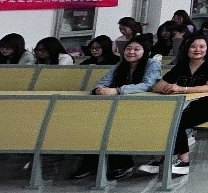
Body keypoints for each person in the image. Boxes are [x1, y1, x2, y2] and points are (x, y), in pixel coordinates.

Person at [70, 36, 164, 180]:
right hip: (117, 106)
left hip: (143, 108)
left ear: (145, 51)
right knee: (93, 123)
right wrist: (98, 89)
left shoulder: (152, 64)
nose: (131, 52)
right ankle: (91, 163)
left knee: (120, 125)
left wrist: (118, 90)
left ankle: (122, 163)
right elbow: (103, 81)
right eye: (128, 49)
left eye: (136, 49)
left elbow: (148, 85)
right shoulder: (120, 65)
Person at [140, 34, 208, 177]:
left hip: (205, 106)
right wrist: (168, 88)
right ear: (186, 49)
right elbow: (157, 87)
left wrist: (181, 89)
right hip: (181, 105)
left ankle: (184, 161)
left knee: (178, 121)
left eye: (202, 47)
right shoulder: (181, 66)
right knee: (160, 119)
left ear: (207, 49)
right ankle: (158, 158)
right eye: (193, 46)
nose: (197, 50)